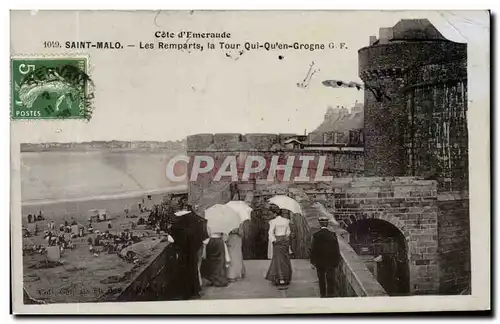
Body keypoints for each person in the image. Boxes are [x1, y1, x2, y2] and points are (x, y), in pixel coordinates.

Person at [169, 208, 208, 299]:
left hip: (183, 253)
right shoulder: (196, 224)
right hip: (193, 252)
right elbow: (202, 238)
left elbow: (172, 240)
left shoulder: (178, 228)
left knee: (183, 272)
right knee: (193, 271)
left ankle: (185, 293)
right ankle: (195, 291)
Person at [310, 217, 341, 298]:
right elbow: (336, 249)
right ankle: (330, 294)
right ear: (327, 223)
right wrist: (337, 260)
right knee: (331, 278)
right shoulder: (332, 234)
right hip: (330, 261)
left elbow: (313, 249)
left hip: (319, 261)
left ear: (320, 223)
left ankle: (322, 294)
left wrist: (312, 261)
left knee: (321, 279)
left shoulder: (316, 235)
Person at [265, 206, 292, 287]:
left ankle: (280, 279)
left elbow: (270, 232)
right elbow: (288, 232)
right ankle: (286, 277)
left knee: (278, 259)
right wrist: (285, 237)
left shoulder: (273, 222)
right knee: (285, 259)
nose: (271, 215)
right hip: (285, 241)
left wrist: (273, 240)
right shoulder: (286, 221)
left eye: (272, 213)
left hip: (277, 240)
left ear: (275, 213)